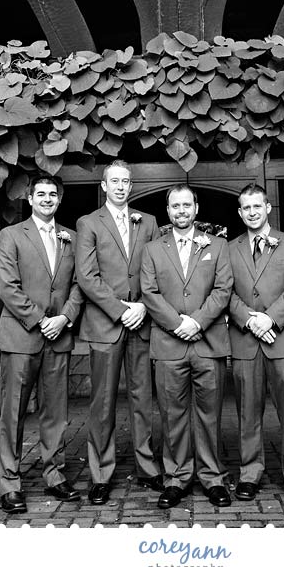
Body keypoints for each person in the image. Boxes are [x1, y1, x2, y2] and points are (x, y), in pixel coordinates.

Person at [140, 184, 233, 510]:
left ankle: (212, 478)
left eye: (186, 205)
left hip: (207, 343)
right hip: (168, 344)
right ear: (168, 211)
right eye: (175, 206)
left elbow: (223, 289)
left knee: (210, 415)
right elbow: (149, 293)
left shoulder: (218, 246)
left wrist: (197, 322)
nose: (181, 211)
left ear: (196, 209)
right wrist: (178, 324)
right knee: (172, 415)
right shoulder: (152, 249)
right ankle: (176, 478)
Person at [0, 174, 83, 514]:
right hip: (21, 336)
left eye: (53, 195)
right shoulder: (12, 235)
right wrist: (39, 319)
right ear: (30, 199)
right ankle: (10, 483)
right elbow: (7, 286)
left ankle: (54, 473)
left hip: (58, 336)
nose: (47, 199)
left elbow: (79, 285)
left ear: (59, 200)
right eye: (41, 194)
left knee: (56, 413)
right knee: (13, 413)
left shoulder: (71, 238)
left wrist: (64, 318)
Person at [75, 160, 162, 505]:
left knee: (143, 399)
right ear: (104, 184)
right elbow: (87, 276)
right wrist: (119, 309)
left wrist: (142, 306)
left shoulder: (150, 221)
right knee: (103, 402)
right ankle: (101, 473)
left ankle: (147, 467)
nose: (122, 187)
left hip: (141, 321)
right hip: (106, 324)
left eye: (126, 181)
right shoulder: (88, 223)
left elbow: (158, 269)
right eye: (115, 181)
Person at [228, 184, 284, 504]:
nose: (252, 212)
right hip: (246, 340)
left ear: (268, 208)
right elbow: (224, 290)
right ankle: (250, 473)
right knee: (247, 413)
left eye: (257, 206)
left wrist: (269, 319)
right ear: (240, 212)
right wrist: (250, 321)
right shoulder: (229, 248)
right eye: (246, 208)